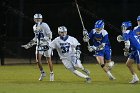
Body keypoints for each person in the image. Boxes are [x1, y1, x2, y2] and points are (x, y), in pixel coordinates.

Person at [21, 13, 54, 81]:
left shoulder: (45, 25)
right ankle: (42, 73)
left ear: (41, 19)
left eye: (39, 19)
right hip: (39, 44)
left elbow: (50, 35)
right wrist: (29, 44)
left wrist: (43, 39)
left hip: (46, 44)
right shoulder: (34, 27)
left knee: (48, 59)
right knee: (37, 60)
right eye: (36, 19)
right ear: (34, 19)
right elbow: (36, 37)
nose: (38, 20)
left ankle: (51, 73)